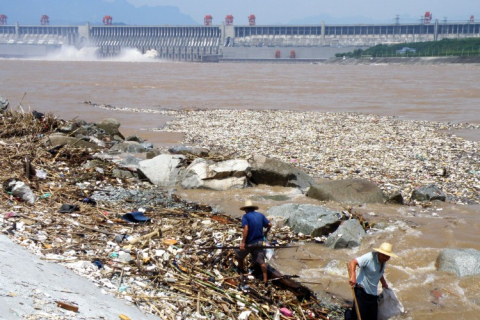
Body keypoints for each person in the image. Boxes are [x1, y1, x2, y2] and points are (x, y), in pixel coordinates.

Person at [346, 242, 398, 320]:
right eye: (383, 255)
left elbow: (379, 273)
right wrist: (353, 276)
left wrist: (384, 284)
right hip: (361, 291)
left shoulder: (383, 262)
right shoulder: (369, 257)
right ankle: (347, 314)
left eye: (387, 256)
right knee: (357, 317)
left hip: (372, 294)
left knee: (372, 317)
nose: (385, 258)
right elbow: (352, 262)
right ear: (379, 252)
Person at [235, 200, 272, 284]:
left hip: (250, 243)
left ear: (246, 209)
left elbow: (246, 229)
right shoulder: (260, 215)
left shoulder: (246, 216)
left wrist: (243, 242)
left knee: (239, 255)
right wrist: (266, 233)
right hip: (259, 242)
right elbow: (269, 224)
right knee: (261, 261)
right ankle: (265, 280)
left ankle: (242, 271)